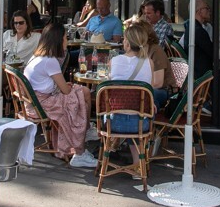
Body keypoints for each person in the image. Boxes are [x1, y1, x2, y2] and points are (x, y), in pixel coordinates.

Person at [24, 24, 97, 168]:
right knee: (84, 94)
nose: (67, 41)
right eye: (65, 38)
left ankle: (85, 132)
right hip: (43, 104)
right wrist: (69, 87)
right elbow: (65, 91)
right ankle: (81, 144)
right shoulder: (50, 61)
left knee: (83, 93)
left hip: (35, 101)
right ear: (58, 40)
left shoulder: (37, 56)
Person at [106, 23, 156, 175]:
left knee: (124, 109)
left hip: (114, 123)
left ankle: (110, 151)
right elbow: (149, 89)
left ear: (127, 42)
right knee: (139, 111)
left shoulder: (114, 61)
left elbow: (107, 88)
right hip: (140, 124)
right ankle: (138, 164)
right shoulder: (149, 63)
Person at [183, 0, 214, 81]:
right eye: (206, 8)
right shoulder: (198, 31)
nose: (209, 11)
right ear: (199, 11)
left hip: (196, 73)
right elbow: (213, 53)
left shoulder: (190, 27)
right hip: (203, 77)